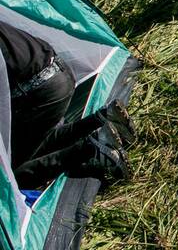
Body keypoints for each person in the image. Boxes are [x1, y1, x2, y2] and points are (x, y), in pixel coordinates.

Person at [2, 19, 132, 187]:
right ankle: (102, 119)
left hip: (40, 91)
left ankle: (91, 150)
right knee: (28, 139)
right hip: (60, 72)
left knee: (6, 171)